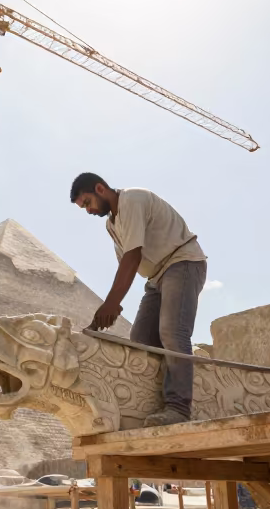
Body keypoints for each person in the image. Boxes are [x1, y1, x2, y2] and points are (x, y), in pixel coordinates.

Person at [70, 172, 207, 426]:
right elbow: (126, 264)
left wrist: (111, 303)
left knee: (173, 333)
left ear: (100, 188)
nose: (88, 211)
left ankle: (178, 408)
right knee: (141, 341)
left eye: (87, 203)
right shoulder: (111, 224)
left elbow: (133, 257)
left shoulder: (132, 200)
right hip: (156, 278)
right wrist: (113, 306)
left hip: (182, 262)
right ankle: (155, 404)